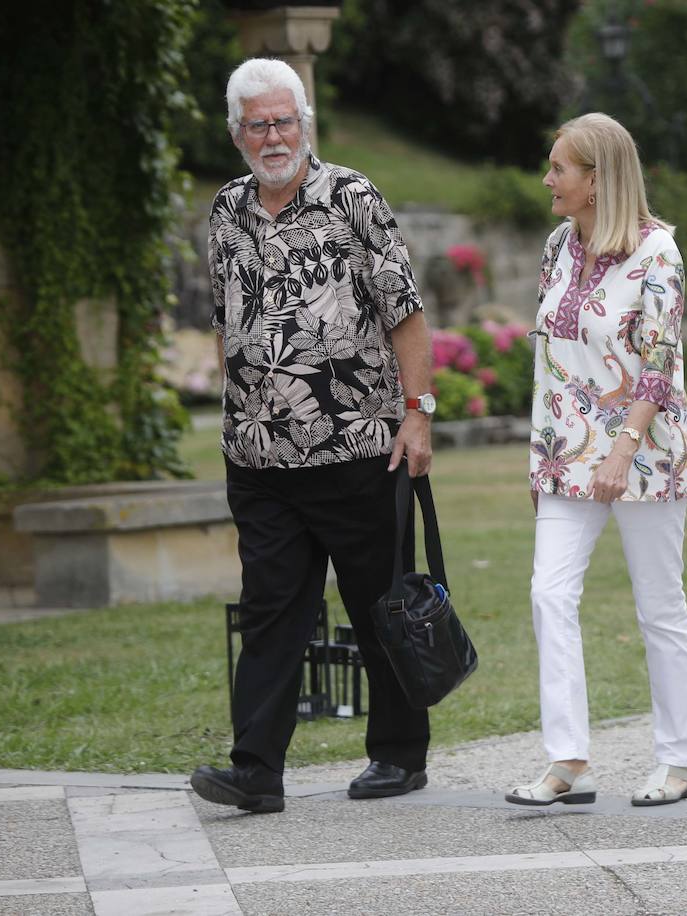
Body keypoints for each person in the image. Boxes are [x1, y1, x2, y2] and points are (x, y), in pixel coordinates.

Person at [190, 58, 436, 814]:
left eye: (284, 121)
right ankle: (256, 770)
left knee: (376, 604)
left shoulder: (352, 196)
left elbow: (404, 309)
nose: (273, 136)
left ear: (306, 125)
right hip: (260, 459)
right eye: (258, 124)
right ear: (237, 134)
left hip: (358, 447)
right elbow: (225, 324)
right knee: (269, 609)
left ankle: (399, 755)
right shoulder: (225, 210)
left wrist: (418, 410)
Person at [506, 113, 687, 809]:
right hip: (567, 452)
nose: (548, 179)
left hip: (644, 457)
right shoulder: (559, 245)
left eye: (560, 168)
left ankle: (677, 762)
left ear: (597, 179)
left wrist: (622, 450)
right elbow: (550, 362)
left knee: (659, 607)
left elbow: (659, 362)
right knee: (548, 594)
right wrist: (541, 458)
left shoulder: (658, 254)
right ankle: (567, 760)